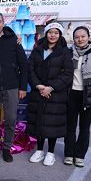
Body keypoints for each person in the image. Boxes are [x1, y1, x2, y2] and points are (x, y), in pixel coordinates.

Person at [0, 11, 28, 163]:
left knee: (10, 119)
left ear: (3, 23)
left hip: (11, 86)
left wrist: (22, 87)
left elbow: (24, 65)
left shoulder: (13, 40)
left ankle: (7, 148)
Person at [26, 23, 74, 166]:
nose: (53, 35)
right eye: (50, 32)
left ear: (60, 35)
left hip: (55, 94)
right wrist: (39, 86)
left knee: (52, 123)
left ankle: (51, 153)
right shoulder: (38, 50)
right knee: (39, 122)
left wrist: (51, 87)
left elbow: (67, 74)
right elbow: (30, 69)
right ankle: (40, 150)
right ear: (46, 34)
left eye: (56, 33)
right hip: (39, 92)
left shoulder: (65, 52)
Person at [64, 26, 91, 167]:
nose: (80, 39)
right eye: (77, 37)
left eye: (83, 36)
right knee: (70, 127)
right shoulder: (68, 52)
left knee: (85, 127)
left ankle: (80, 155)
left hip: (89, 94)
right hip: (72, 94)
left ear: (88, 37)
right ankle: (69, 154)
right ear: (74, 39)